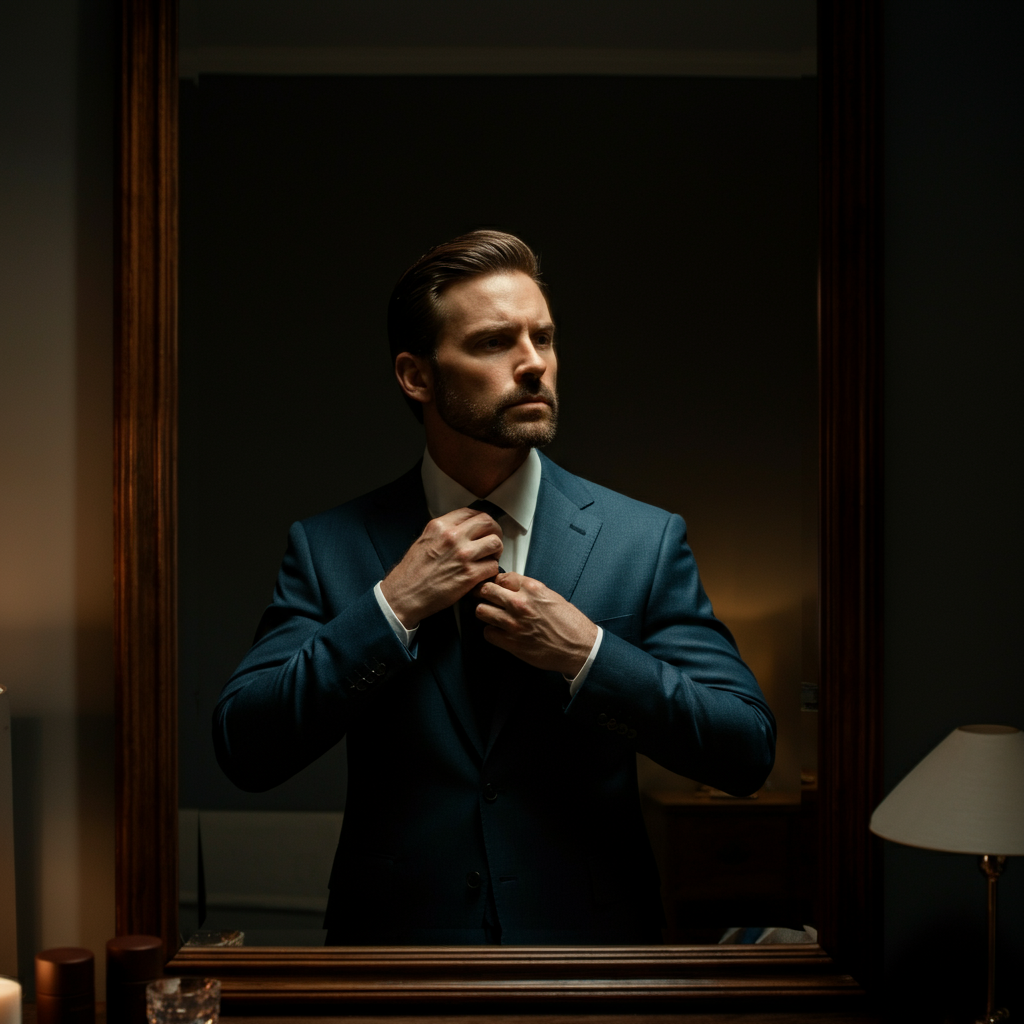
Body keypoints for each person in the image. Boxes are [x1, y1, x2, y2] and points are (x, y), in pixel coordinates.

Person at [213, 230, 776, 945]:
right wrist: (392, 609)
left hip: (590, 962)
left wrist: (589, 655)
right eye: (492, 343)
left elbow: (746, 750)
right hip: (396, 962)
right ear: (416, 375)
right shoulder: (329, 546)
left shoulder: (643, 541)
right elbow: (246, 747)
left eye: (543, 337)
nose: (534, 364)